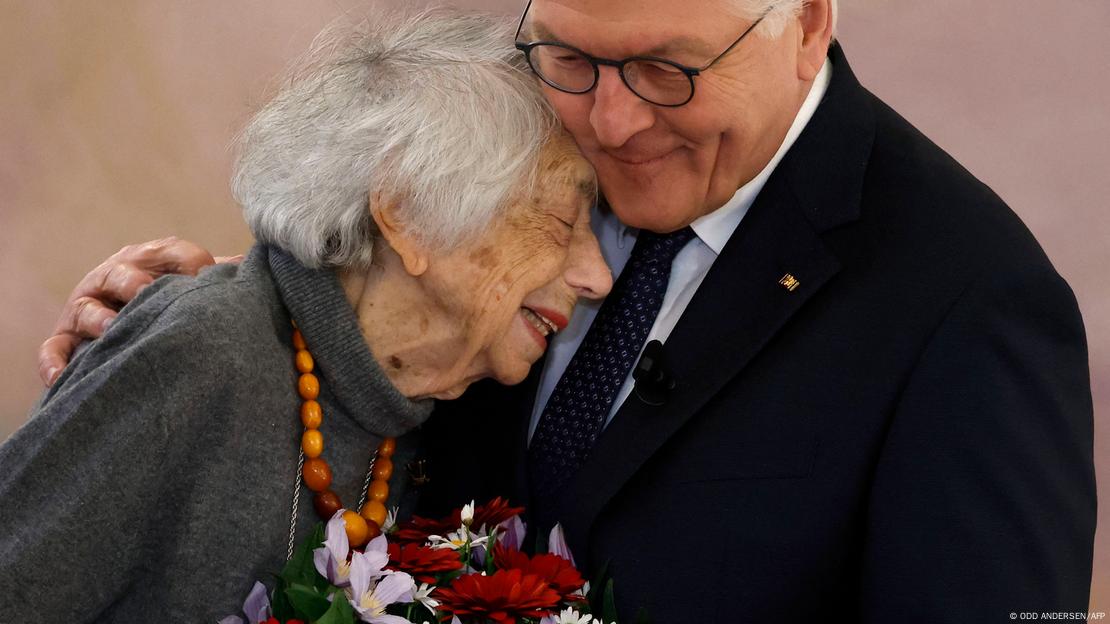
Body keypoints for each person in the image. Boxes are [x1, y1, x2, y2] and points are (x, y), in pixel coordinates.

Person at [37, 0, 1097, 621]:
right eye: (575, 56)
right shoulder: (520, 119)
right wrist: (241, 310)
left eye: (667, 70)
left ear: (809, 22)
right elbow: (402, 290)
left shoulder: (972, 303)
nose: (612, 120)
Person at [0, 10, 613, 622]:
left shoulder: (426, 402)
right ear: (406, 211)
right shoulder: (207, 352)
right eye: (562, 221)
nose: (598, 276)